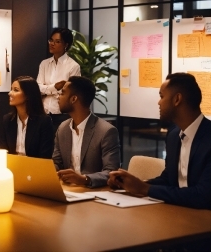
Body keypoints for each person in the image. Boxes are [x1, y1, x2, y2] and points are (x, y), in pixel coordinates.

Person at [108, 73, 211, 210]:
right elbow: (169, 179)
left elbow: (203, 195)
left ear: (177, 99)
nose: (158, 102)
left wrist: (144, 188)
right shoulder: (174, 135)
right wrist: (131, 183)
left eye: (162, 96)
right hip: (176, 211)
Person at [0, 76, 53, 171]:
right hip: (11, 171)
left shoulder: (44, 122)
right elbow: (3, 151)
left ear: (28, 95)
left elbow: (44, 159)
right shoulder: (8, 120)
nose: (10, 93)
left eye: (16, 90)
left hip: (34, 173)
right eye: (11, 89)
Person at [53, 76, 120, 188]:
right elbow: (57, 162)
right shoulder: (63, 128)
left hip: (94, 193)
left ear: (73, 99)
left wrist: (84, 179)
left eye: (62, 93)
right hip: (68, 190)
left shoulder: (106, 131)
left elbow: (111, 171)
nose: (58, 97)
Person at [36, 27, 81, 132]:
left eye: (57, 41)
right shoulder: (44, 63)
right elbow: (37, 88)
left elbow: (71, 93)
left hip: (62, 114)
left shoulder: (73, 66)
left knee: (60, 146)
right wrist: (55, 87)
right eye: (51, 40)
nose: (52, 44)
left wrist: (46, 89)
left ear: (66, 45)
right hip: (44, 112)